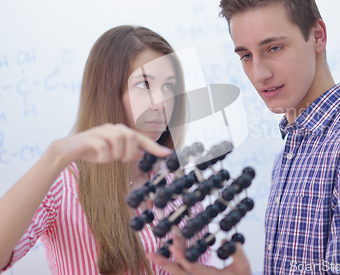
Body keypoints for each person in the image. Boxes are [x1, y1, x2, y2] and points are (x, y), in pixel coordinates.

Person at [150, 0, 340, 275]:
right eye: (246, 56)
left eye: (274, 48)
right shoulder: (292, 153)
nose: (259, 74)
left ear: (317, 36)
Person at [0, 25, 211, 275]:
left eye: (169, 87)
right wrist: (56, 155)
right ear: (108, 92)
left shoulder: (182, 185)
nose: (161, 103)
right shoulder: (64, 185)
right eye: (144, 84)